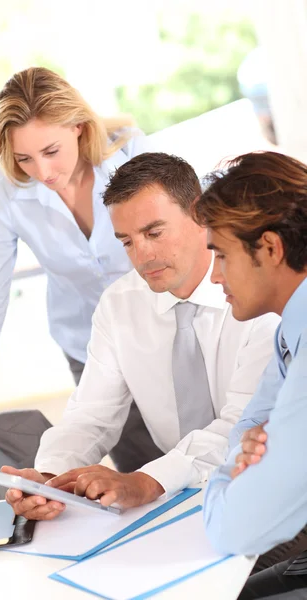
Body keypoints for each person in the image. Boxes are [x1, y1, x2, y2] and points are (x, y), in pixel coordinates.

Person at [0, 66, 156, 503]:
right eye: (24, 158)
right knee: (138, 478)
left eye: (51, 150)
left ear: (78, 127)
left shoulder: (133, 155)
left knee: (198, 457)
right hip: (91, 347)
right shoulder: (3, 192)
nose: (41, 170)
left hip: (165, 330)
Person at [3, 151, 279, 522]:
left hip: (268, 487)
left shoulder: (258, 295)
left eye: (153, 232)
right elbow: (91, 417)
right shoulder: (120, 305)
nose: (143, 255)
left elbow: (241, 426)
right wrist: (51, 478)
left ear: (201, 214)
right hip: (181, 503)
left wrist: (148, 480)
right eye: (127, 242)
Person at [192, 150, 307, 599]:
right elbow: (245, 430)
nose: (216, 276)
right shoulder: (289, 333)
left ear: (271, 248)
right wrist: (247, 447)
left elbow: (234, 528)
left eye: (221, 255)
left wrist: (224, 480)